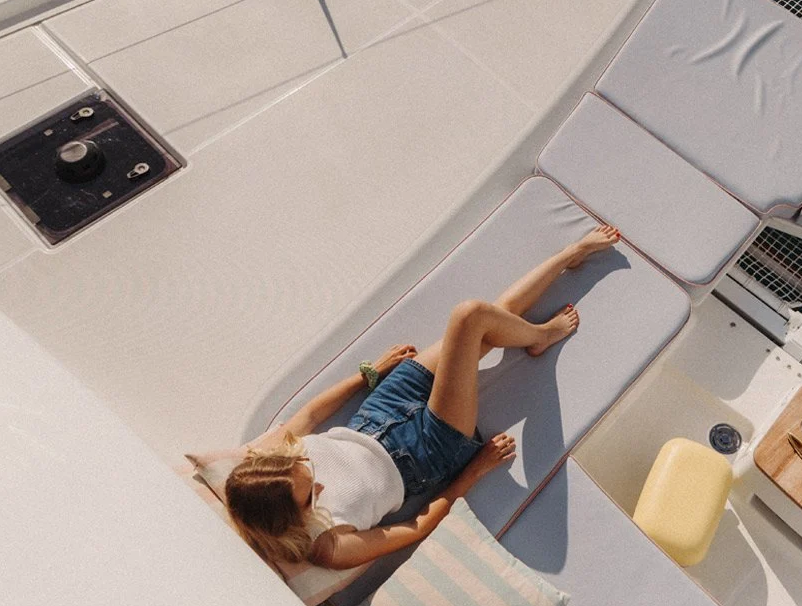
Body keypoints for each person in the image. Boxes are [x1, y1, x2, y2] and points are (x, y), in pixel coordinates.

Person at [222, 225, 621, 570]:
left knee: (484, 322)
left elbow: (311, 414)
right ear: (289, 522)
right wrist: (475, 470)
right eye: (311, 497)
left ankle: (569, 257)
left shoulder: (267, 463)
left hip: (381, 409)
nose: (320, 487)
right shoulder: (329, 547)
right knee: (470, 317)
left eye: (307, 470)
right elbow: (416, 527)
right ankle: (543, 332)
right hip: (427, 451)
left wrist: (370, 374)